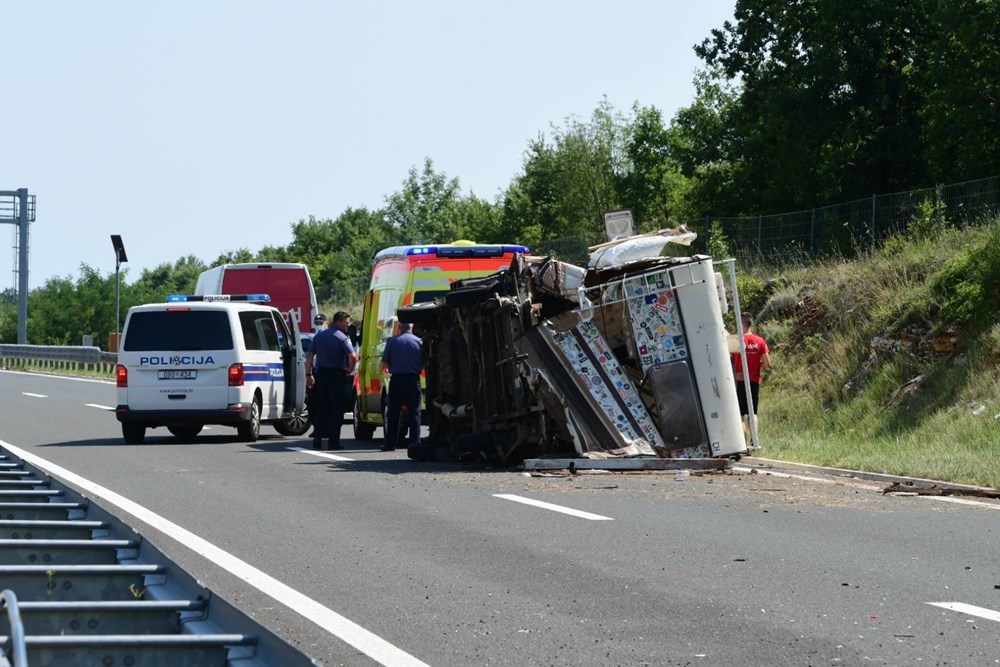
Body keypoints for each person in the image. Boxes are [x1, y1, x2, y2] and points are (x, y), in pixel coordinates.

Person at [305, 311, 357, 450]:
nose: (347, 326)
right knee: (336, 409)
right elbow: (353, 355)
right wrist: (350, 369)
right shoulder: (342, 338)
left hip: (321, 375)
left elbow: (310, 356)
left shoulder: (319, 336)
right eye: (346, 323)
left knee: (321, 407)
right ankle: (334, 442)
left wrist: (308, 375)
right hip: (336, 375)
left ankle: (317, 440)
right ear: (338, 322)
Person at [380, 322, 423, 452]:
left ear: (399, 327)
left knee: (394, 412)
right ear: (412, 327)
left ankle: (390, 444)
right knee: (414, 412)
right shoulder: (419, 342)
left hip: (397, 379)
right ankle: (415, 443)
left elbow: (385, 363)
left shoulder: (392, 342)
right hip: (413, 379)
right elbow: (424, 362)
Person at [732, 311, 771, 440]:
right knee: (753, 412)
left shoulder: (736, 340)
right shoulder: (760, 341)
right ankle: (754, 440)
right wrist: (757, 365)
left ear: (741, 324)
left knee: (741, 414)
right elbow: (767, 364)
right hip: (754, 380)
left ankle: (742, 441)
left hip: (740, 380)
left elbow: (727, 361)